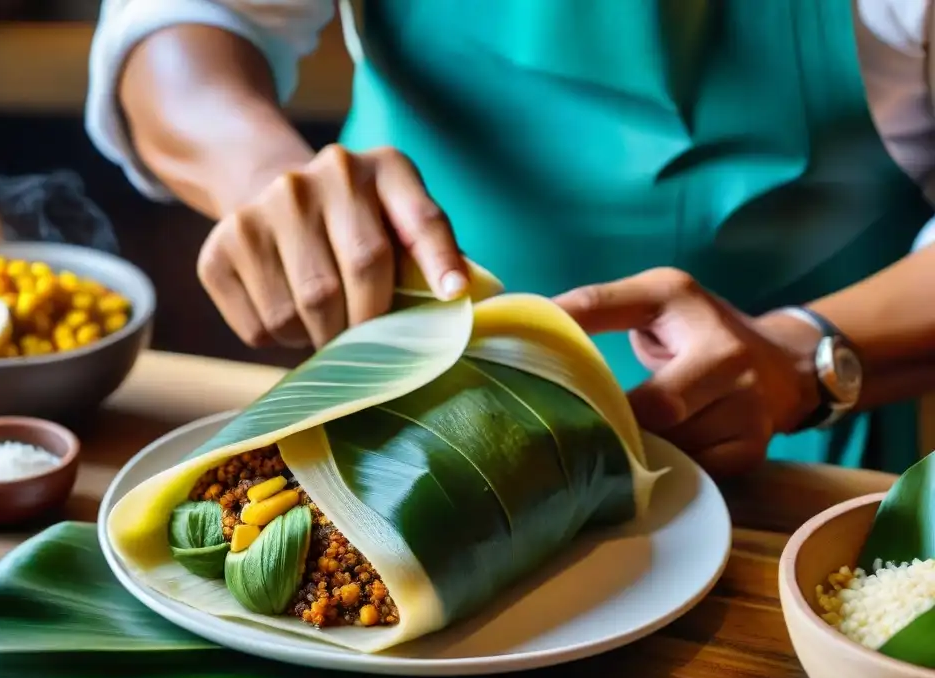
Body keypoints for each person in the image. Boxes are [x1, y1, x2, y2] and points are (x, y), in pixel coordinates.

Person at [85, 0, 935, 477]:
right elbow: (184, 24)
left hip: (788, 443)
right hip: (405, 406)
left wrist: (800, 357)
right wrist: (265, 177)